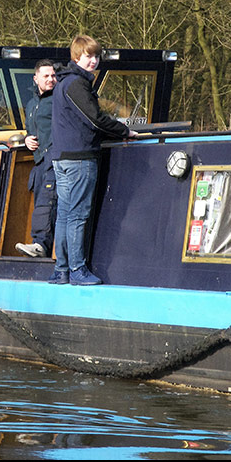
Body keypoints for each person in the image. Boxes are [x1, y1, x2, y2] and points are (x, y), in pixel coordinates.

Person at [48, 35, 138, 285]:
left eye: (96, 56)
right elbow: (95, 118)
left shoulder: (63, 82)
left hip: (63, 157)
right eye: (88, 56)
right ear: (77, 57)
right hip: (79, 158)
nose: (93, 61)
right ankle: (77, 269)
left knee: (65, 214)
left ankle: (61, 270)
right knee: (77, 215)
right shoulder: (76, 84)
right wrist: (124, 131)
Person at [15, 59, 58, 258]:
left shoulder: (59, 99)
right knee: (41, 202)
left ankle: (40, 245)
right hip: (39, 161)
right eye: (46, 76)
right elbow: (30, 129)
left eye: (53, 76)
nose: (51, 79)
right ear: (36, 79)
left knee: (47, 203)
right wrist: (27, 139)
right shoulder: (31, 104)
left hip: (54, 158)